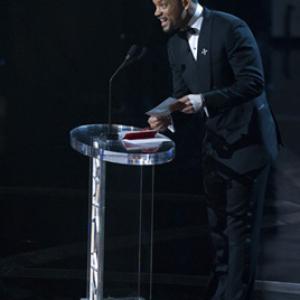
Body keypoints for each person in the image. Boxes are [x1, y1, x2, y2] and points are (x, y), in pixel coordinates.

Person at [148, 0, 281, 299]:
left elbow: (253, 82)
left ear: (184, 2)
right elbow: (182, 94)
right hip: (215, 147)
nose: (156, 12)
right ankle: (221, 291)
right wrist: (165, 113)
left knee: (238, 231)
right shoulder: (175, 45)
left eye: (162, 4)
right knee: (218, 229)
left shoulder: (230, 27)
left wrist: (204, 100)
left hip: (247, 144)